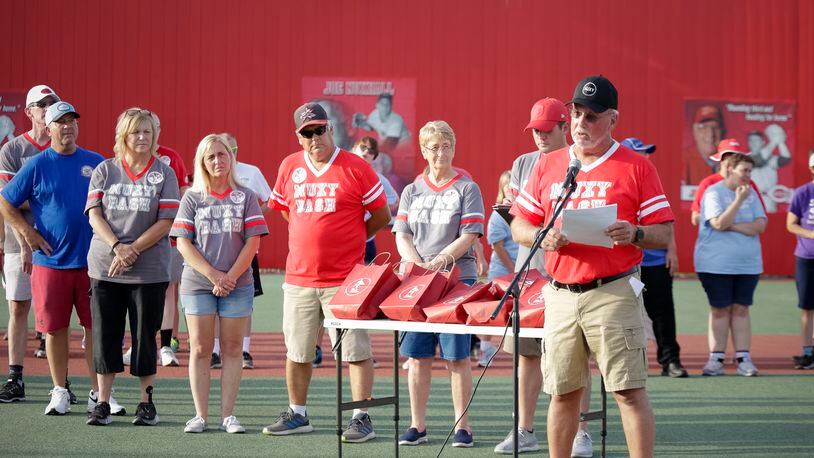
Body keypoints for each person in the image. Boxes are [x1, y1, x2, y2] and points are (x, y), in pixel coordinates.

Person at [511, 76, 674, 457]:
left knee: (628, 391)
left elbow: (663, 233)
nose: (582, 124)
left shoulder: (636, 166)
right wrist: (540, 235)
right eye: (577, 114)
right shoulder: (550, 164)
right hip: (561, 293)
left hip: (613, 291)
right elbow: (519, 223)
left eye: (592, 116)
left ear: (613, 119)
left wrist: (634, 233)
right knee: (563, 393)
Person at [266, 103, 390, 442]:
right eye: (307, 133)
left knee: (356, 352)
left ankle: (360, 417)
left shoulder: (356, 167)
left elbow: (380, 216)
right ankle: (298, 414)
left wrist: (350, 237)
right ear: (298, 136)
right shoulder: (290, 166)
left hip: (346, 280)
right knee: (298, 351)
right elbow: (284, 210)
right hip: (300, 278)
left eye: (319, 130)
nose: (314, 137)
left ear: (331, 129)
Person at [496, 97, 593, 456]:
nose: (539, 136)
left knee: (577, 357)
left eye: (546, 130)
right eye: (535, 130)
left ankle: (581, 432)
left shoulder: (580, 158)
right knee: (526, 354)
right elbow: (520, 216)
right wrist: (515, 216)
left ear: (563, 127)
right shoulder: (523, 163)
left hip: (570, 271)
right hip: (529, 268)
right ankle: (524, 429)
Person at [0, 101, 104, 415]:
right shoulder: (36, 164)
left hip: (91, 263)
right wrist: (28, 234)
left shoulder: (96, 163)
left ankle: (98, 393)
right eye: (61, 122)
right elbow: (6, 201)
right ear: (48, 128)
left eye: (72, 121)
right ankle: (60, 390)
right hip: (51, 262)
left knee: (94, 329)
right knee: (55, 330)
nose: (68, 126)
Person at [84, 108, 180, 426]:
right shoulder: (104, 170)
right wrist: (117, 246)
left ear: (155, 137)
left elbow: (166, 221)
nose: (142, 137)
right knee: (105, 336)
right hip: (105, 267)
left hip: (148, 269)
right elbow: (94, 213)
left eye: (148, 132)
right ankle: (103, 402)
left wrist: (132, 249)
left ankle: (145, 403)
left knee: (144, 337)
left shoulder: (164, 173)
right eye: (136, 132)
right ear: (123, 135)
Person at [392, 120, 483, 448]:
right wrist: (417, 264)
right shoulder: (411, 190)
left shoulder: (467, 188)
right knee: (417, 357)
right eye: (434, 147)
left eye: (446, 146)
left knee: (457, 356)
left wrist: (441, 261)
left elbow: (470, 234)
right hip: (418, 281)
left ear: (453, 148)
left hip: (457, 278)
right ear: (423, 151)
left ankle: (463, 426)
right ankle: (418, 425)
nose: (441, 152)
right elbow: (401, 233)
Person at [171, 134, 268, 434]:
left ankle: (228, 416)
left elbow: (253, 242)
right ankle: (200, 416)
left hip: (237, 285)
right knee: (200, 348)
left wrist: (230, 278)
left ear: (231, 158)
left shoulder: (246, 196)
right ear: (202, 161)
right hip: (199, 283)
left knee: (232, 348)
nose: (217, 161)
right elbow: (183, 243)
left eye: (222, 154)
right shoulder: (192, 197)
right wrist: (214, 276)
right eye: (211, 156)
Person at [0, 84, 59, 403]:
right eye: (43, 104)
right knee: (19, 307)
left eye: (53, 103)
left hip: (58, 244)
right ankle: (16, 377)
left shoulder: (64, 147)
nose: (49, 108)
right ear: (29, 112)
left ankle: (60, 383)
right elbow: (10, 202)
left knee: (54, 313)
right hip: (17, 243)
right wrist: (25, 242)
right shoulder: (12, 151)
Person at [121, 111, 190, 368]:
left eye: (152, 128)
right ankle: (138, 343)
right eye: (139, 129)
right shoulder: (122, 162)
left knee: (168, 291)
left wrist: (173, 227)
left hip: (166, 239)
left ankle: (166, 346)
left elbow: (183, 196)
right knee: (133, 296)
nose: (147, 133)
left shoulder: (171, 159)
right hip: (130, 240)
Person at [621, 137, 688, 378]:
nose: (646, 157)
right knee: (626, 314)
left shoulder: (651, 181)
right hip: (626, 266)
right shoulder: (615, 183)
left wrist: (672, 250)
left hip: (655, 263)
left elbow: (666, 221)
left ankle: (671, 361)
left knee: (662, 314)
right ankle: (630, 365)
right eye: (641, 153)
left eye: (647, 153)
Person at [695, 152, 766, 377]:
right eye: (744, 170)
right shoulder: (714, 192)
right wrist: (738, 202)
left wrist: (733, 225)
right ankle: (716, 359)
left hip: (748, 264)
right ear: (730, 169)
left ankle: (743, 358)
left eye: (750, 171)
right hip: (716, 264)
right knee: (720, 310)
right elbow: (718, 223)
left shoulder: (752, 193)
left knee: (741, 309)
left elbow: (760, 226)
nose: (748, 175)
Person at [208, 132, 272, 371]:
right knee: (211, 302)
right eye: (224, 150)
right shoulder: (208, 175)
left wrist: (252, 222)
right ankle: (214, 351)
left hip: (244, 249)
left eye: (232, 150)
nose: (229, 155)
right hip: (212, 251)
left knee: (245, 302)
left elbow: (270, 199)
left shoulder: (250, 172)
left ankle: (245, 349)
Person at [478, 171, 515, 369]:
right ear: (502, 188)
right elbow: (498, 246)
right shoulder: (499, 214)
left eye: (514, 185)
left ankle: (521, 353)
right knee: (493, 310)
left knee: (519, 313)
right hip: (503, 270)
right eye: (507, 185)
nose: (511, 189)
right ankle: (485, 348)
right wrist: (513, 271)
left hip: (522, 270)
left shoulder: (526, 211)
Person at [690, 139, 765, 226]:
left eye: (737, 156)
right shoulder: (709, 183)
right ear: (720, 159)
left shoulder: (750, 184)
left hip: (744, 237)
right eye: (729, 155)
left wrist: (730, 223)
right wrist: (718, 220)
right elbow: (695, 218)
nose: (733, 159)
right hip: (717, 238)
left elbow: (761, 219)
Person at [351, 136, 398, 263]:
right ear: (354, 149)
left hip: (366, 242)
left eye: (371, 151)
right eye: (363, 148)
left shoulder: (378, 179)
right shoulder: (338, 173)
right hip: (340, 239)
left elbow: (395, 201)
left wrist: (374, 211)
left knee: (364, 281)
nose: (366, 152)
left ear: (374, 157)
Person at [787, 154, 814, 370]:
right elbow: (791, 224)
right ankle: (807, 351)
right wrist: (812, 234)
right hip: (807, 257)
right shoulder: (803, 192)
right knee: (807, 306)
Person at [749, 127, 792, 213]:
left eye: (756, 140)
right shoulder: (744, 158)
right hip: (751, 197)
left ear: (763, 142)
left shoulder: (770, 158)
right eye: (751, 140)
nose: (753, 143)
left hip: (768, 197)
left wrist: (780, 142)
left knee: (770, 223)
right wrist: (774, 141)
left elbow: (786, 158)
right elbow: (759, 160)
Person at [682, 105, 725, 185]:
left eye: (715, 127)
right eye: (703, 127)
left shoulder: (730, 161)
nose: (710, 134)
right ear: (694, 131)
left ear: (722, 131)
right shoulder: (683, 159)